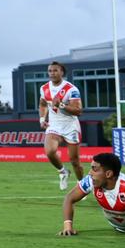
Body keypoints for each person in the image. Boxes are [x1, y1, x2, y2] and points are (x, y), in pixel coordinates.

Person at [38, 61, 83, 190]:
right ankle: (63, 172)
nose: (52, 73)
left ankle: (82, 186)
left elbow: (79, 110)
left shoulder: (71, 89)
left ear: (62, 72)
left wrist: (61, 105)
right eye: (50, 71)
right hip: (54, 125)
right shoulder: (44, 88)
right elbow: (42, 104)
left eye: (55, 70)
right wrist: (42, 119)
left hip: (70, 126)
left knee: (75, 161)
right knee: (50, 151)